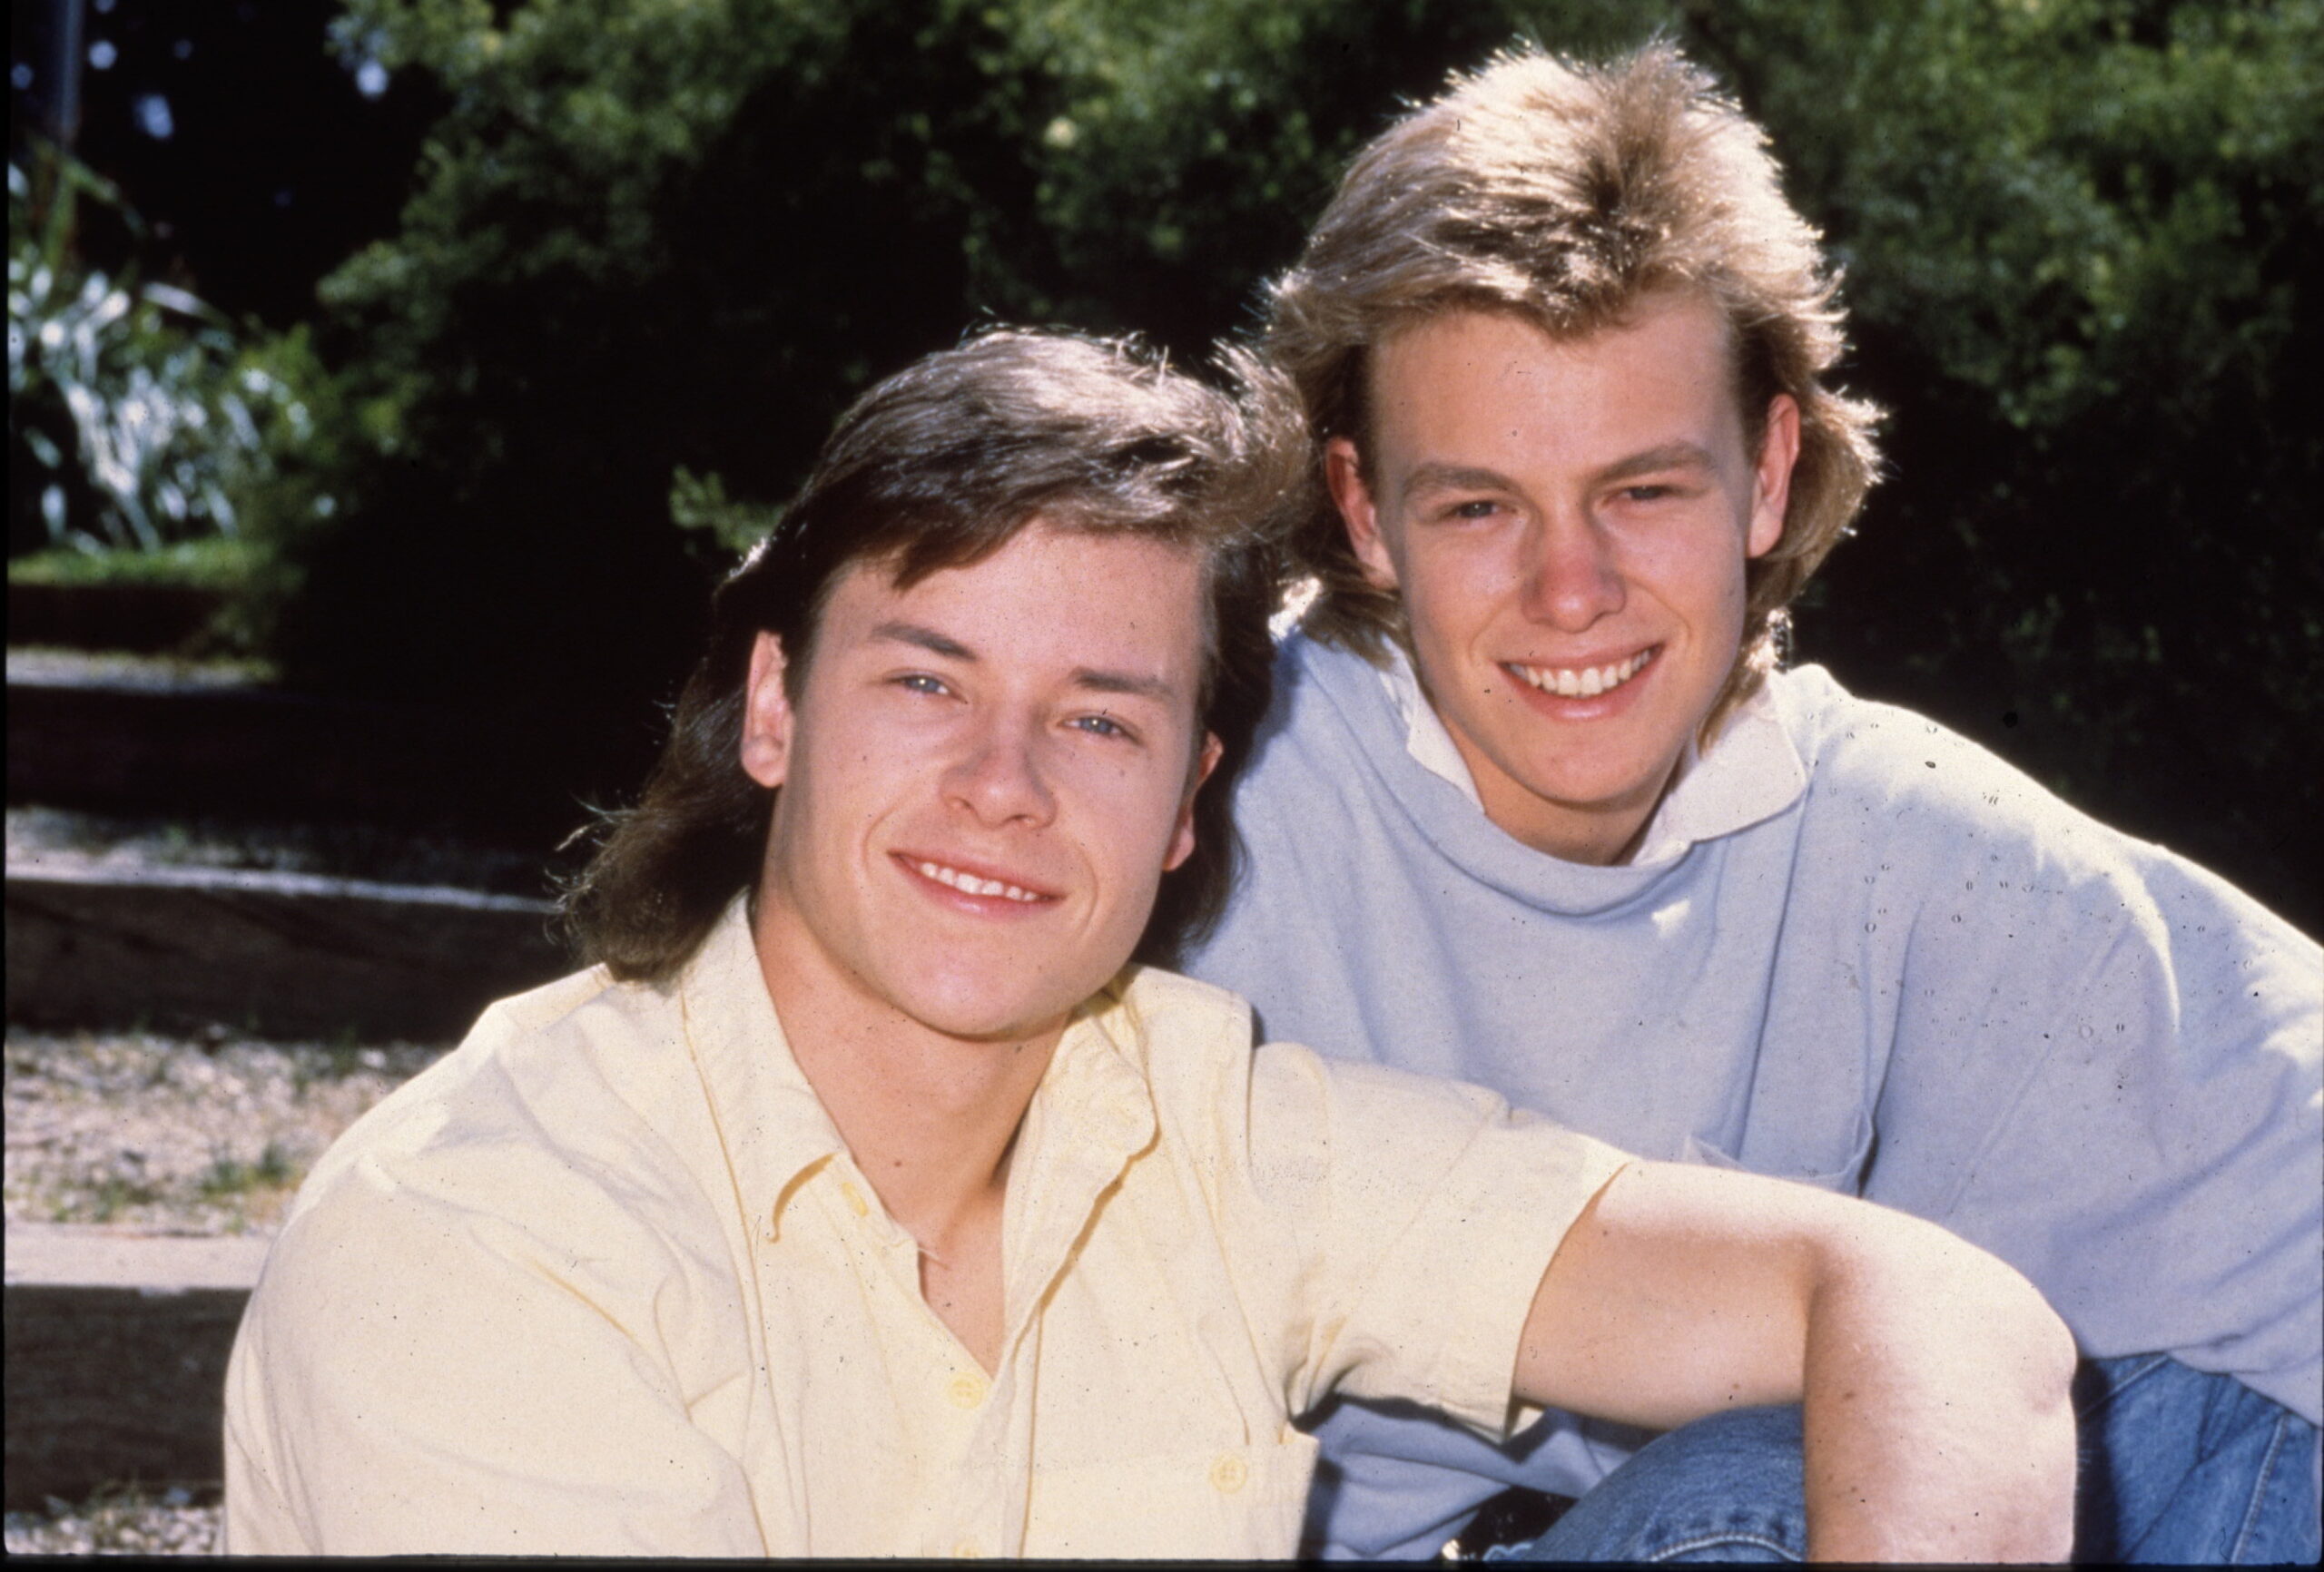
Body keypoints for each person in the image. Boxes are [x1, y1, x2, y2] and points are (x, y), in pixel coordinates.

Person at [221, 329, 2078, 1558]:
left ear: (1186, 801)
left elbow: (1933, 1307)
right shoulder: (481, 1233)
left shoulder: (1198, 1125)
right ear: (773, 708)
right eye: (926, 679)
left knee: (1923, 1471)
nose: (1003, 782)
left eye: (1098, 717)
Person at [1180, 40, 2324, 1564]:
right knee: (1769, 1489)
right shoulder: (1193, 797)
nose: (1571, 592)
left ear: (1770, 474)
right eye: (1477, 506)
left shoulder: (1892, 840)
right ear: (1359, 513)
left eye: (1644, 491)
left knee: (2201, 1441)